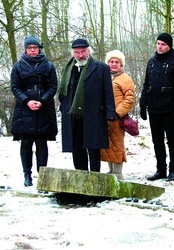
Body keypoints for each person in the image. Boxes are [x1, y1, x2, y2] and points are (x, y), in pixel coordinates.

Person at [58, 38, 116, 172]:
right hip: (73, 116)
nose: (80, 55)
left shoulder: (101, 68)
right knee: (77, 148)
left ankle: (95, 178)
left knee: (94, 149)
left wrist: (110, 113)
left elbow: (108, 92)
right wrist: (64, 108)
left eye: (83, 51)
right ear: (73, 53)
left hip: (94, 114)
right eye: (77, 52)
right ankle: (81, 176)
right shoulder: (67, 70)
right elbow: (62, 94)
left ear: (89, 51)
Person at [10, 36, 58, 186]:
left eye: (35, 47)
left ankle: (43, 176)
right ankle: (27, 175)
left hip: (44, 107)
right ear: (25, 49)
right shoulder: (18, 66)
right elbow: (15, 87)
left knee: (41, 142)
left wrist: (42, 101)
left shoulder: (49, 66)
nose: (32, 50)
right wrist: (27, 100)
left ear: (39, 49)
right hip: (24, 108)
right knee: (26, 142)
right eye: (30, 48)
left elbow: (53, 87)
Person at [140, 33, 174, 181]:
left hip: (170, 108)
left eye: (163, 44)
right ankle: (161, 170)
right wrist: (143, 103)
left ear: (169, 46)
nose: (160, 47)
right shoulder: (152, 61)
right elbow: (146, 84)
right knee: (157, 141)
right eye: (158, 43)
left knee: (172, 141)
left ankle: (173, 170)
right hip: (154, 108)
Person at [100, 50, 135, 179]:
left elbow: (129, 99)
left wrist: (117, 112)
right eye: (111, 62)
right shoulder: (105, 76)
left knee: (117, 144)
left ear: (121, 64)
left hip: (117, 118)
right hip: (105, 117)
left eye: (117, 62)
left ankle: (118, 173)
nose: (114, 64)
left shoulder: (125, 79)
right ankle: (110, 172)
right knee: (107, 145)